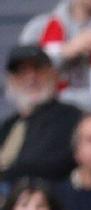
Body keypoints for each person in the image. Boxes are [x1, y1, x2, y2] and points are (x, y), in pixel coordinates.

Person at [0, 45, 82, 186]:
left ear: (53, 74)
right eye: (21, 71)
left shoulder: (68, 116)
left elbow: (51, 165)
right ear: (11, 80)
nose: (31, 77)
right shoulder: (9, 124)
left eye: (38, 68)